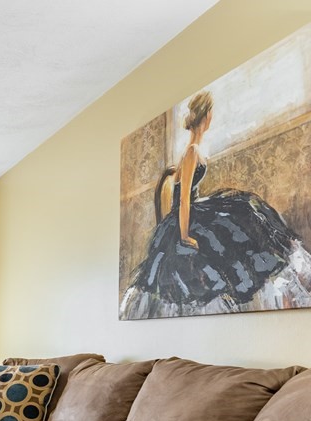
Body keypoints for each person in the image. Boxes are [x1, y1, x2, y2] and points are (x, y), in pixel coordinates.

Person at [120, 90, 311, 319]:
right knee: (241, 215)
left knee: (245, 209)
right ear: (207, 116)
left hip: (191, 209)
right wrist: (184, 235)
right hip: (184, 216)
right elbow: (182, 200)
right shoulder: (191, 152)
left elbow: (181, 189)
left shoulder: (191, 151)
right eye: (210, 113)